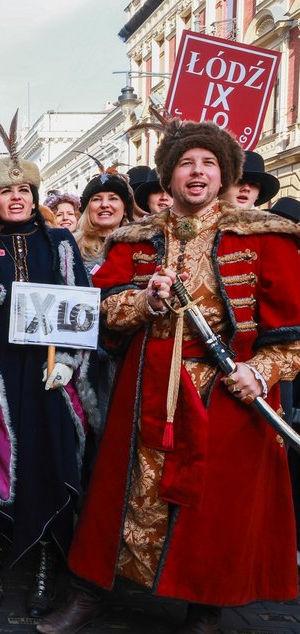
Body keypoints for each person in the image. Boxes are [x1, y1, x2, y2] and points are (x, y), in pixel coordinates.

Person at [39, 120, 300, 634]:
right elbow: (103, 309)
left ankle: (205, 606)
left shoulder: (266, 236)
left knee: (213, 505)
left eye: (208, 163)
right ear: (169, 176)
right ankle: (91, 591)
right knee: (117, 494)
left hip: (224, 395)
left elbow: (292, 334)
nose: (197, 172)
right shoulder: (134, 238)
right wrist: (144, 300)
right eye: (186, 163)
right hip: (144, 386)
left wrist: (259, 371)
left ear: (224, 175)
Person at [0, 110, 93, 618]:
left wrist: (72, 363)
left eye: (26, 193)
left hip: (49, 374)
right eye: (7, 194)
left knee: (48, 458)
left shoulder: (60, 243)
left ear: (34, 199)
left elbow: (80, 302)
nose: (18, 199)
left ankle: (43, 564)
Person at [72, 171, 133, 277]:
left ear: (125, 209)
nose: (104, 205)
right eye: (97, 199)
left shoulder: (139, 247)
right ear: (88, 209)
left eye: (113, 198)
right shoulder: (72, 248)